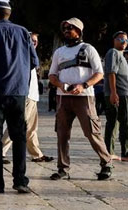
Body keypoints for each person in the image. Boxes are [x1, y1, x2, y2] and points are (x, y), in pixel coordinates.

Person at [0, 2, 38, 194]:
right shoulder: (23, 33)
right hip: (18, 92)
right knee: (19, 136)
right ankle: (20, 180)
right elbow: (34, 61)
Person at [47, 17, 113, 181]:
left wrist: (83, 85)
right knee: (62, 133)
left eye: (70, 28)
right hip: (63, 98)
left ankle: (106, 163)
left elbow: (99, 73)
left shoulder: (88, 49)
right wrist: (60, 85)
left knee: (92, 132)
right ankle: (63, 168)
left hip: (84, 97)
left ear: (79, 31)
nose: (67, 31)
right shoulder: (59, 52)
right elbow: (52, 75)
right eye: (65, 28)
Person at [1, 33, 53, 163]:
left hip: (33, 96)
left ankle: (36, 154)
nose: (34, 42)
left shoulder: (30, 54)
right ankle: (0, 151)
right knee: (17, 124)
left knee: (31, 127)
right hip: (25, 95)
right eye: (32, 40)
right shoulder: (22, 54)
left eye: (36, 40)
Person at [104, 31, 128, 163]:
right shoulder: (113, 53)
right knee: (122, 124)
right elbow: (111, 73)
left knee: (117, 123)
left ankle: (112, 152)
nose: (124, 42)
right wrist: (113, 92)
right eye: (120, 39)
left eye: (126, 40)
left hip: (124, 94)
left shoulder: (121, 56)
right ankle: (122, 152)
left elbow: (124, 80)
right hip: (118, 95)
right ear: (114, 40)